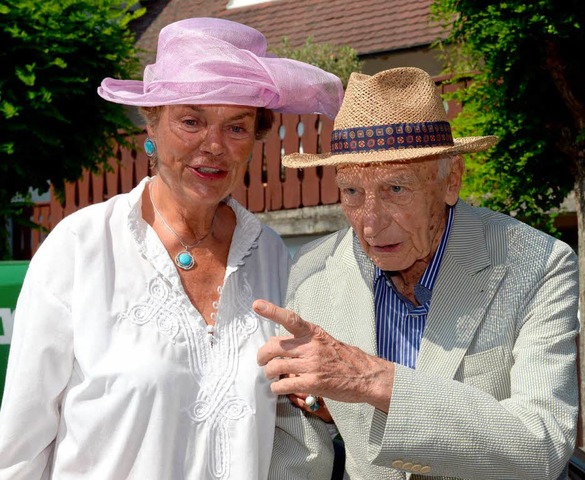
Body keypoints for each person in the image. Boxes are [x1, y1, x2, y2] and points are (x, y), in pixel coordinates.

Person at [0, 17, 342, 479]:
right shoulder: (81, 248)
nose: (214, 145)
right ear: (152, 125)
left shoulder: (270, 256)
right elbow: (19, 445)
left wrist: (322, 402)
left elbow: (292, 423)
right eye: (191, 121)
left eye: (237, 128)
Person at [256, 67, 579, 479]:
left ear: (451, 181)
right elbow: (296, 453)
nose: (370, 224)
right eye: (352, 191)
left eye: (396, 188)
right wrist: (322, 407)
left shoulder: (537, 263)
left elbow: (543, 445)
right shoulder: (313, 271)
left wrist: (374, 380)